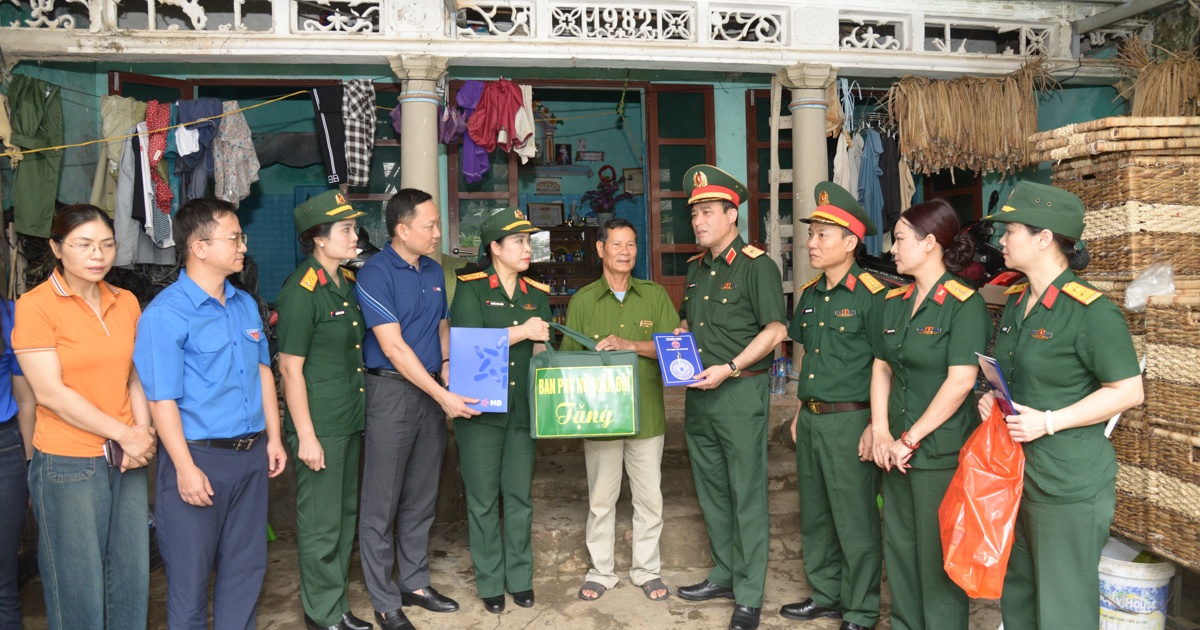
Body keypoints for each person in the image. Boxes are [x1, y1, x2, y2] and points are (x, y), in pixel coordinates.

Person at [980, 181, 1143, 630]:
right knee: (1021, 598)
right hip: (1019, 473)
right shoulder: (1017, 302)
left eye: (1010, 229)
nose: (1001, 240)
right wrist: (991, 398)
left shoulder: (1091, 312)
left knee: (1063, 610)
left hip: (1068, 482)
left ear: (1044, 238)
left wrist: (1050, 421)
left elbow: (1128, 391)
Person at [133, 197, 288, 630]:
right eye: (234, 237)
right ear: (199, 247)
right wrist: (183, 467)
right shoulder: (165, 315)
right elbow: (160, 398)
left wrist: (273, 438)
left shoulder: (243, 304)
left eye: (242, 237)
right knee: (189, 581)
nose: (243, 246)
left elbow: (262, 373)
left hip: (251, 455)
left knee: (245, 572)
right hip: (198, 459)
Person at [13, 203, 155, 630]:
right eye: (84, 245)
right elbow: (50, 394)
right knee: (78, 589)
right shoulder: (35, 306)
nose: (98, 255)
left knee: (130, 579)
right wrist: (124, 434)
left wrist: (142, 433)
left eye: (107, 245)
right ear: (57, 248)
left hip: (126, 458)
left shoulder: (126, 300)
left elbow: (135, 377)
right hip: (68, 463)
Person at [355, 188, 476, 630]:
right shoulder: (374, 273)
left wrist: (446, 369)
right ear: (401, 229)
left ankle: (415, 582)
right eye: (429, 225)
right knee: (381, 503)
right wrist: (444, 395)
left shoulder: (433, 270)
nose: (437, 233)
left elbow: (440, 324)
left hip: (428, 390)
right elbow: (393, 347)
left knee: (422, 496)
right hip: (390, 393)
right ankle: (385, 601)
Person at [867, 199, 990, 630]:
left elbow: (960, 382)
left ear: (930, 243)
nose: (892, 249)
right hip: (895, 453)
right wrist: (881, 432)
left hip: (936, 454)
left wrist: (910, 438)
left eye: (900, 239)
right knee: (899, 552)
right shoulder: (896, 301)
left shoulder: (963, 304)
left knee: (937, 560)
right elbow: (881, 366)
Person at [675, 165, 787, 630]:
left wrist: (732, 367)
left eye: (706, 212)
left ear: (731, 214)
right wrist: (675, 353)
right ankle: (723, 573)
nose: (698, 221)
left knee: (746, 494)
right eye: (694, 213)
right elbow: (686, 324)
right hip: (699, 396)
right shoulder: (696, 269)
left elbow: (776, 329)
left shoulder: (756, 265)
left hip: (740, 392)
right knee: (713, 492)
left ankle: (748, 593)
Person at [558, 218, 679, 603]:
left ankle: (646, 570)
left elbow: (672, 349)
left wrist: (629, 344)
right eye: (616, 244)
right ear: (600, 249)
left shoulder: (655, 296)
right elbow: (566, 364)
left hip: (647, 417)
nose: (625, 252)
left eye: (631, 244)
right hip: (601, 420)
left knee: (649, 499)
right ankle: (601, 571)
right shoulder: (582, 301)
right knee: (601, 500)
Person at [782, 182, 885, 630]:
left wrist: (876, 424)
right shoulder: (809, 295)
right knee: (817, 514)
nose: (812, 243)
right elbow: (809, 358)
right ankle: (825, 594)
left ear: (851, 242)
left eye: (824, 234)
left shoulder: (874, 296)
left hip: (853, 419)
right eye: (812, 234)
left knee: (855, 519)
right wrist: (801, 410)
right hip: (813, 420)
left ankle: (860, 610)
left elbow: (887, 366)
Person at [275, 191, 374, 630]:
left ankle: (337, 606)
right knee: (320, 525)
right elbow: (290, 371)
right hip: (320, 426)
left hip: (348, 420)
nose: (355, 236)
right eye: (346, 230)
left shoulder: (344, 283)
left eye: (353, 228)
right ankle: (321, 613)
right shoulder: (301, 291)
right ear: (318, 239)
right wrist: (307, 436)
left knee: (343, 519)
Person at [449, 208, 551, 614]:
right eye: (519, 242)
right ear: (494, 248)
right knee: (483, 500)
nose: (528, 248)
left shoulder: (537, 295)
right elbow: (469, 344)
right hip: (479, 411)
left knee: (519, 497)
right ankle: (490, 580)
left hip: (523, 411)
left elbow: (541, 352)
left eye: (529, 241)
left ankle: (520, 578)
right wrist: (523, 331)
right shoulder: (470, 289)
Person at [0, 297, 34, 628]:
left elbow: (26, 399)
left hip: (5, 453)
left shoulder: (10, 314)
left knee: (3, 585)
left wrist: (28, 467)